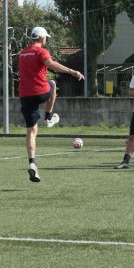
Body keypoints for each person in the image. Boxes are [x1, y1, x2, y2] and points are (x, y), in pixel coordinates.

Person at [18, 26, 84, 182]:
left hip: (25, 96)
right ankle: (48, 117)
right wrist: (72, 71)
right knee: (53, 83)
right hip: (40, 92)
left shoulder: (21, 54)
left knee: (31, 131)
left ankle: (32, 162)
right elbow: (51, 63)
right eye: (46, 38)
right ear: (42, 38)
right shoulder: (41, 51)